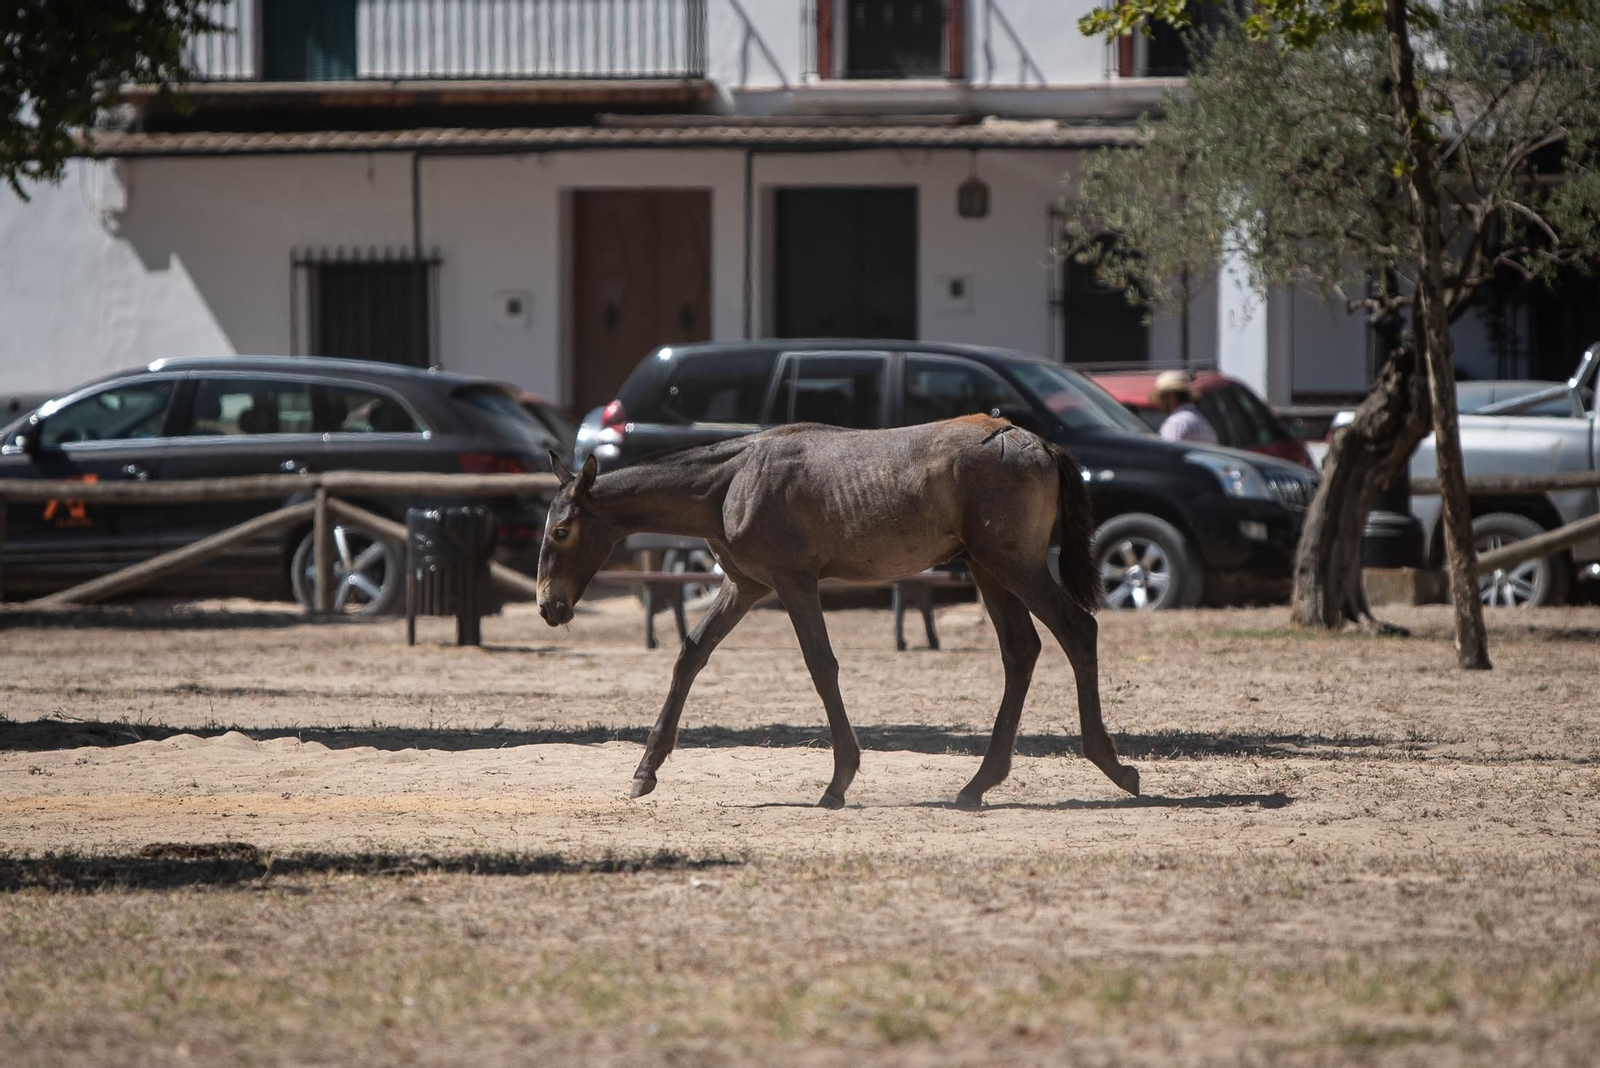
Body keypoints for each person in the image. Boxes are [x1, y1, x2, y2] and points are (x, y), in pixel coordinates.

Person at [1149, 371, 1218, 444]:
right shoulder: (1201, 420)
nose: (1160, 404)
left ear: (1171, 396)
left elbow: (1169, 450)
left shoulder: (1176, 423)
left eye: (1162, 397)